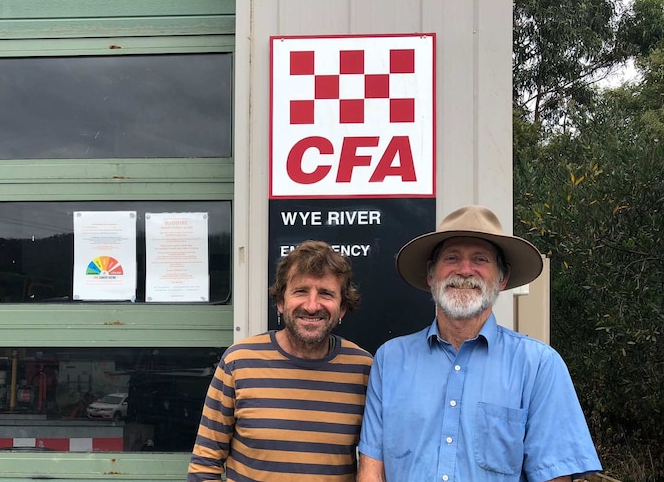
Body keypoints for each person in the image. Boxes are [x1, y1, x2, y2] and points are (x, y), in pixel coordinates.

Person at [357, 205, 602, 482]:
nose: (464, 270)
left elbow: (553, 477)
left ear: (502, 278)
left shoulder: (539, 366)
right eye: (451, 258)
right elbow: (372, 469)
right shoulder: (390, 361)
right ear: (430, 275)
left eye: (480, 259)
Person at [188, 240, 373, 482]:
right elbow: (205, 464)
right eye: (301, 291)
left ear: (342, 308)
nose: (312, 305)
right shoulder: (238, 362)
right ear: (280, 302)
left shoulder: (364, 369)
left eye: (326, 293)